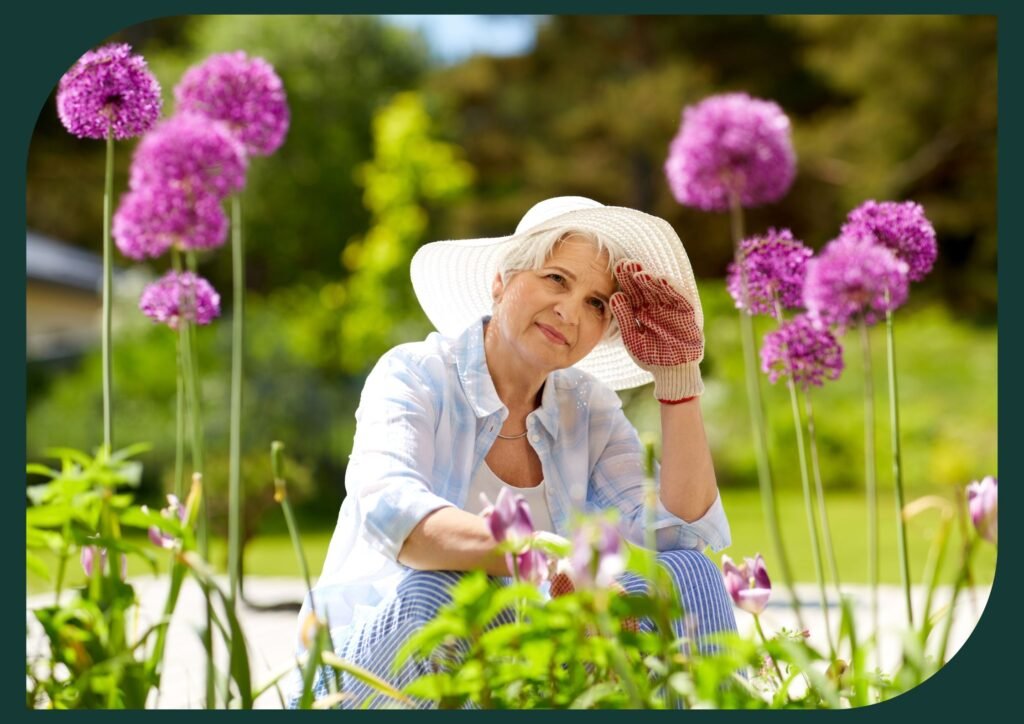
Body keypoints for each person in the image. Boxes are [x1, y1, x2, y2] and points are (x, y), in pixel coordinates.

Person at [289, 196, 736, 708]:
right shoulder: (413, 374)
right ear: (501, 280)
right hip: (364, 670)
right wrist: (541, 556)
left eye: (596, 303)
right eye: (556, 279)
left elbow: (680, 534)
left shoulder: (588, 409)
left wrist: (678, 380)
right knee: (449, 592)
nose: (570, 310)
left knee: (689, 575)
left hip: (527, 663)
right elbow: (396, 514)